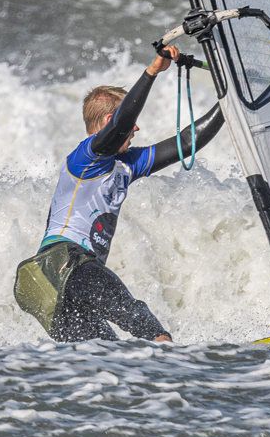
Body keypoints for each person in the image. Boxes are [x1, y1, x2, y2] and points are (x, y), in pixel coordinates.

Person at [13, 47, 226, 343]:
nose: (136, 128)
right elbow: (123, 124)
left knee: (106, 354)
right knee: (143, 323)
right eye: (130, 121)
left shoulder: (127, 164)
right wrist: (152, 72)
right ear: (109, 121)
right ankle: (177, 365)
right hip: (66, 263)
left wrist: (230, 99)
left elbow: (188, 142)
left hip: (54, 285)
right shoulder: (85, 158)